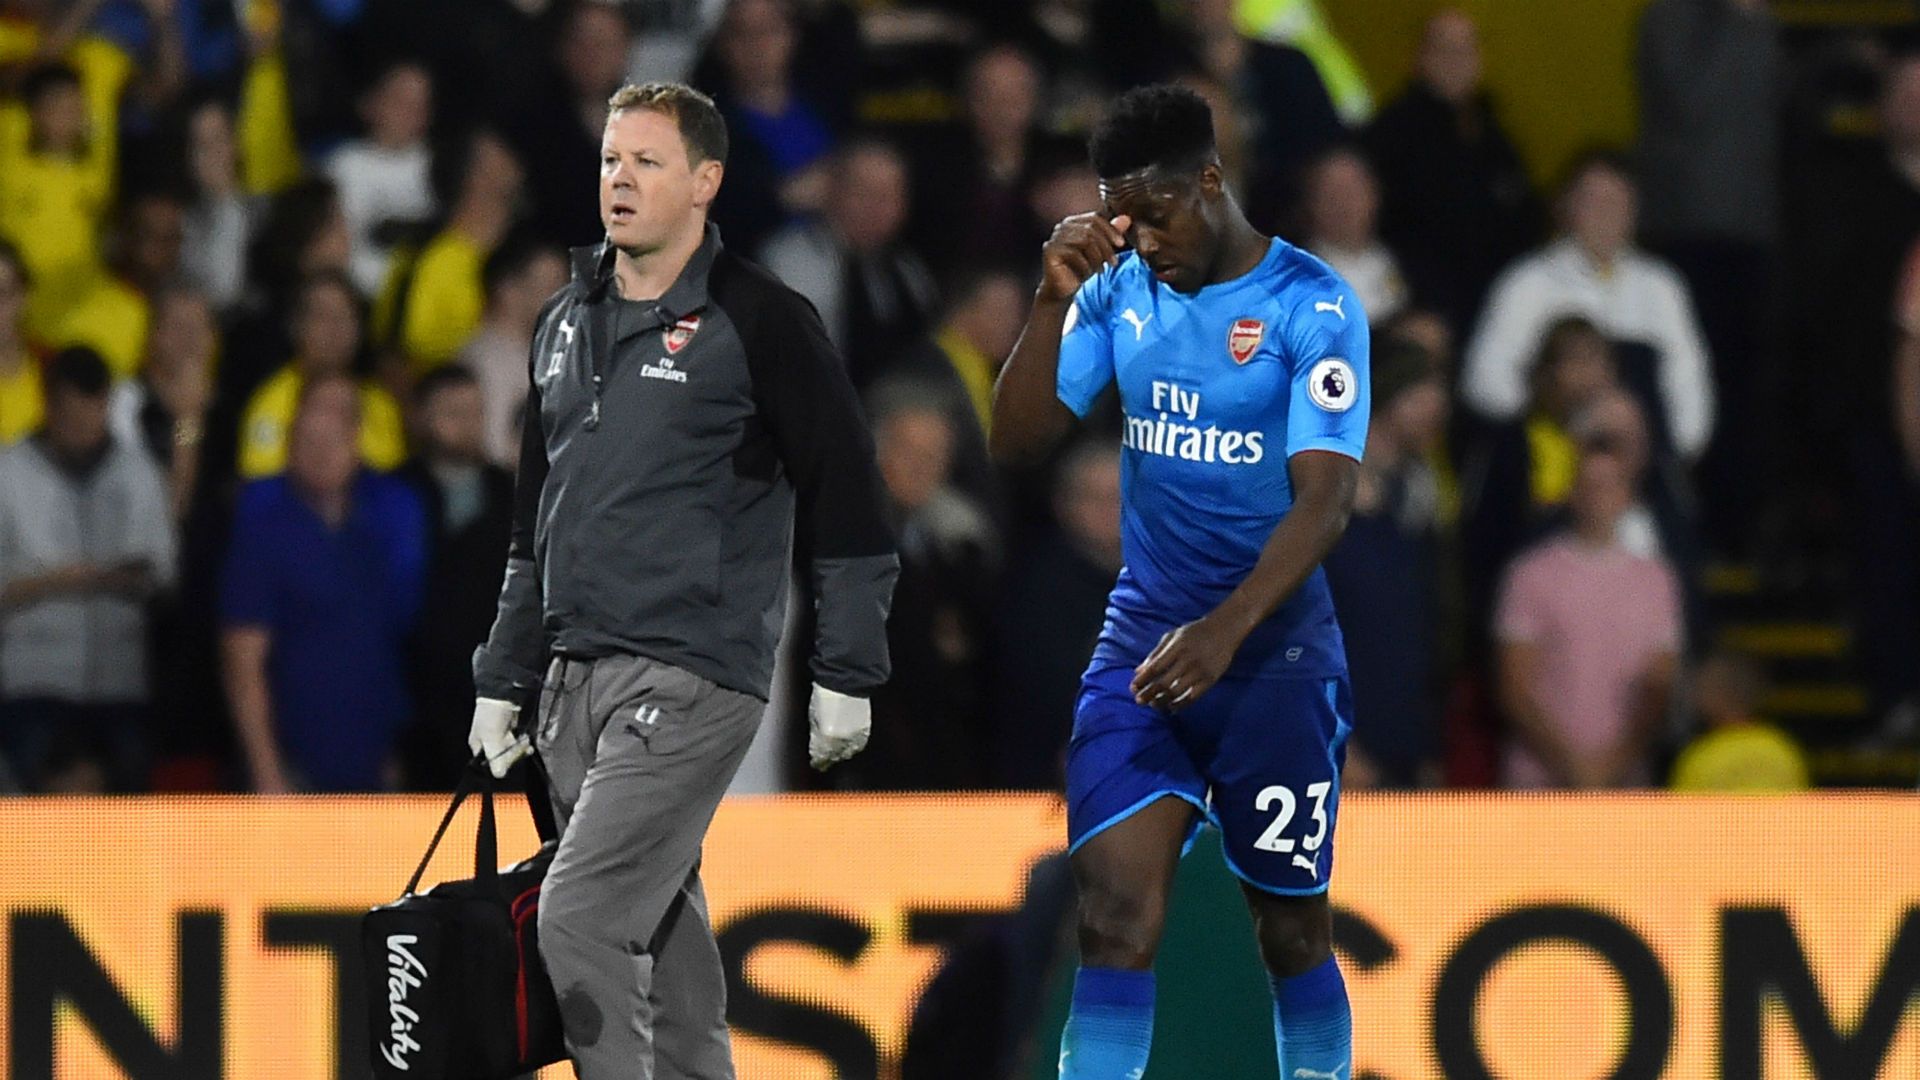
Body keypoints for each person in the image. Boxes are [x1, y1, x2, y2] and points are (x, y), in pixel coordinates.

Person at [467, 82, 896, 1079]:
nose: (619, 180)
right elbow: (535, 522)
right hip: (572, 681)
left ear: (705, 181)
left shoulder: (761, 319)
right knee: (663, 943)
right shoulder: (563, 321)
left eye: (647, 163)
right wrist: (504, 674)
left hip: (691, 674)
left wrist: (847, 669)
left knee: (580, 917)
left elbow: (849, 488)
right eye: (611, 160)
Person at [989, 84, 1367, 1080]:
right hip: (1147, 641)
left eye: (1155, 214)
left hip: (1273, 656)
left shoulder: (1312, 305)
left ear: (1208, 180)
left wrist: (1228, 629)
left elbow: (1326, 500)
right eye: (1122, 219)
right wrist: (1050, 302)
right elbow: (1016, 442)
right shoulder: (1119, 292)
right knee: (1114, 915)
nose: (1142, 239)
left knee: (1291, 930)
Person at [219, 375, 429, 793]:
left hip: (374, 753)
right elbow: (242, 660)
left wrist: (394, 751)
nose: (321, 454)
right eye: (308, 441)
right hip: (294, 758)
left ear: (355, 443)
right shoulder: (262, 525)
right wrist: (267, 772)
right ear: (288, 446)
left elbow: (394, 633)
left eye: (332, 441)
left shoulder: (385, 517)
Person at [1463, 152, 1715, 461]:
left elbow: (1688, 383)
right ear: (1566, 206)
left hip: (1639, 463)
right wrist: (1554, 411)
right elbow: (1484, 381)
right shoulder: (1527, 281)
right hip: (1545, 460)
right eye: (1593, 200)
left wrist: (1666, 452)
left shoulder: (1661, 285)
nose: (1606, 212)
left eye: (1617, 201)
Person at [0, 346, 173, 792]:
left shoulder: (136, 472)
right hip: (34, 682)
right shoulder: (8, 472)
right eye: (71, 415)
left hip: (120, 683)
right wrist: (57, 582)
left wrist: (122, 577)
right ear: (49, 404)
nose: (83, 427)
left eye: (93, 412)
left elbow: (164, 569)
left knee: (127, 795)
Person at [1494, 447, 1682, 789]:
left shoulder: (1657, 581)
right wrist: (1572, 767)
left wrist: (1611, 765)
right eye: (1590, 484)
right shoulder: (1530, 574)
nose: (1599, 496)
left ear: (1628, 496)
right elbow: (1514, 685)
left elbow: (1660, 687)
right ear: (1573, 492)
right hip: (1539, 785)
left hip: (1623, 785)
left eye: (1610, 485)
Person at [1364, 9, 1540, 337]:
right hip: (1423, 306)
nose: (1456, 61)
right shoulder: (1391, 135)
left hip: (1496, 305)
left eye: (1465, 50)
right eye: (1444, 49)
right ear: (1420, 57)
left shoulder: (1495, 135)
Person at [1322, 340, 1448, 790]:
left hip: (1406, 752)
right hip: (1341, 758)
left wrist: (1428, 749)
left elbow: (1419, 634)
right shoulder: (1321, 507)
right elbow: (1295, 635)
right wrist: (1337, 743)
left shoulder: (1415, 502)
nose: (1439, 407)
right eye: (1421, 392)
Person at [396, 365, 514, 790]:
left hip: (491, 694)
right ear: (422, 417)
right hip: (415, 696)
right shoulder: (394, 494)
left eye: (476, 412)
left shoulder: (510, 493)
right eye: (453, 412)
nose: (468, 423)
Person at [757, 137, 940, 388]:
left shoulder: (908, 271)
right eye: (863, 192)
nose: (876, 207)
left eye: (889, 195)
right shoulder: (789, 261)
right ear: (832, 191)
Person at [325, 60, 438, 297]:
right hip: (352, 294)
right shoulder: (341, 166)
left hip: (415, 298)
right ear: (372, 102)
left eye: (419, 105)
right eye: (400, 101)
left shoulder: (439, 171)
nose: (409, 113)